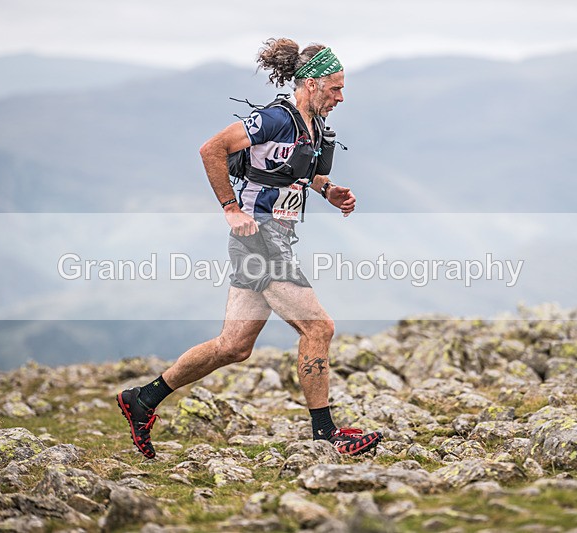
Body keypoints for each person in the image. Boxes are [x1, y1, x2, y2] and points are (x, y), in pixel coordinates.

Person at [117, 38, 383, 458]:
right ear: (311, 84)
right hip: (258, 238)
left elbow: (293, 174)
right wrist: (230, 207)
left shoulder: (312, 128)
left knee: (234, 346)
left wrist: (328, 189)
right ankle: (326, 434)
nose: (341, 96)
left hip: (274, 237)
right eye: (334, 88)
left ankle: (142, 400)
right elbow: (212, 149)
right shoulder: (276, 118)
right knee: (319, 327)